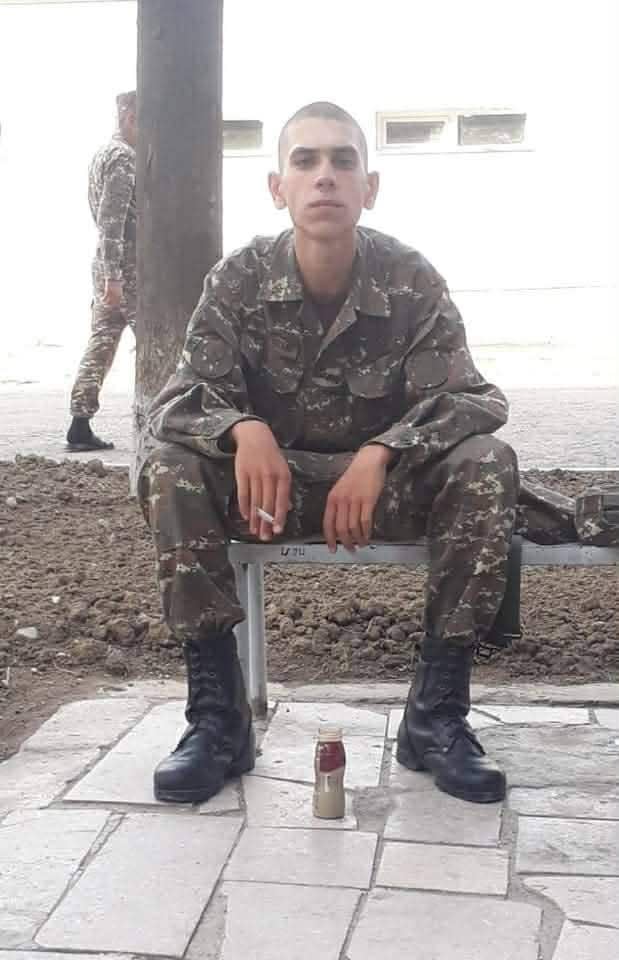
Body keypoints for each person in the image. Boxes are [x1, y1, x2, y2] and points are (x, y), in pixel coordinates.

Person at [139, 101, 519, 806]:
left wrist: (382, 451)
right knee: (169, 465)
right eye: (305, 160)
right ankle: (217, 721)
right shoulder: (239, 279)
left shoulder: (409, 279)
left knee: (485, 462)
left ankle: (436, 718)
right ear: (276, 187)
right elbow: (176, 401)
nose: (324, 177)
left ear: (368, 188)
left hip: (378, 493)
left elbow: (473, 400)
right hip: (269, 495)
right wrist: (242, 429)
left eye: (343, 161)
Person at [66, 91, 137, 451]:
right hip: (128, 270)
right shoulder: (123, 158)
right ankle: (160, 419)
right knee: (159, 345)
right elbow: (112, 220)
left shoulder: (103, 153)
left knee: (101, 344)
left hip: (111, 267)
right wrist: (114, 278)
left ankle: (80, 423)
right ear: (131, 119)